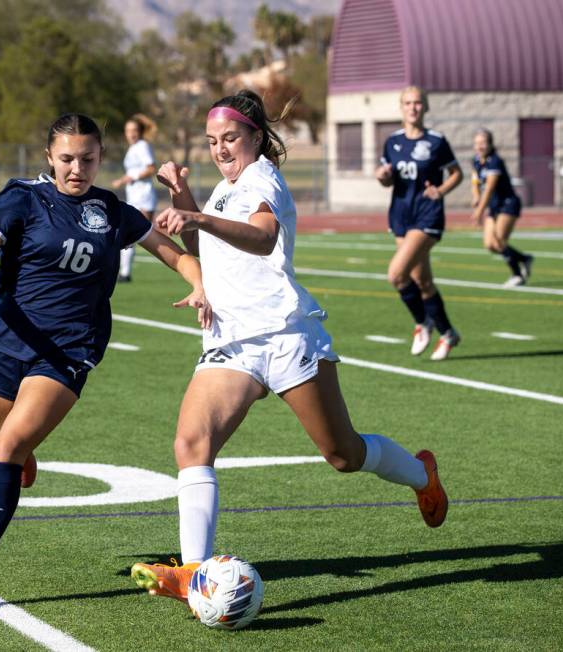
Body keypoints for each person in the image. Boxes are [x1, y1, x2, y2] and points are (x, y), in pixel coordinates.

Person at [130, 90, 448, 606]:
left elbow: (260, 237)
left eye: (230, 138)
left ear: (256, 136)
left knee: (343, 454)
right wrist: (182, 196)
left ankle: (421, 473)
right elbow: (201, 249)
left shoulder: (263, 179)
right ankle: (193, 573)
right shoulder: (224, 190)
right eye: (212, 141)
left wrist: (198, 217)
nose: (220, 150)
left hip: (283, 335)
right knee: (192, 444)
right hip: (232, 342)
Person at [0, 113, 210, 609]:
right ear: (49, 158)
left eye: (89, 158)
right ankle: (21, 459)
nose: (78, 168)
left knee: (7, 450)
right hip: (7, 340)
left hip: (70, 349)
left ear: (102, 157)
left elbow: (176, 255)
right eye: (68, 158)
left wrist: (199, 282)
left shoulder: (112, 211)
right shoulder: (21, 199)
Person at [375, 86, 463, 361]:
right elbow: (387, 179)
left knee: (396, 274)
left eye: (417, 103)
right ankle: (448, 333)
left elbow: (456, 173)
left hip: (427, 215)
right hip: (401, 215)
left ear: (425, 107)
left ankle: (422, 321)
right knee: (422, 280)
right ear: (401, 108)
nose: (413, 107)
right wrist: (383, 176)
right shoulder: (393, 141)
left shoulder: (436, 141)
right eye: (408, 103)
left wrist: (441, 190)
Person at [470, 128, 533, 286]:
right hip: (494, 205)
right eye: (477, 143)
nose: (480, 146)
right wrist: (476, 196)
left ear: (490, 144)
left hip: (508, 203)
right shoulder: (476, 160)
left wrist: (479, 211)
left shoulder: (495, 161)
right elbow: (475, 181)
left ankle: (517, 275)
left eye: (483, 143)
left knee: (498, 241)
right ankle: (524, 259)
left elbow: (490, 187)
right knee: (489, 245)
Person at [111, 114, 157, 282]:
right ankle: (124, 273)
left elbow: (151, 168)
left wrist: (130, 178)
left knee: (136, 235)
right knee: (129, 236)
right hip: (134, 196)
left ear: (140, 132)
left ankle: (125, 273)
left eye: (134, 130)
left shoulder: (142, 146)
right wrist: (124, 179)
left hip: (144, 196)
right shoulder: (133, 148)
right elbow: (132, 172)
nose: (131, 134)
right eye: (128, 130)